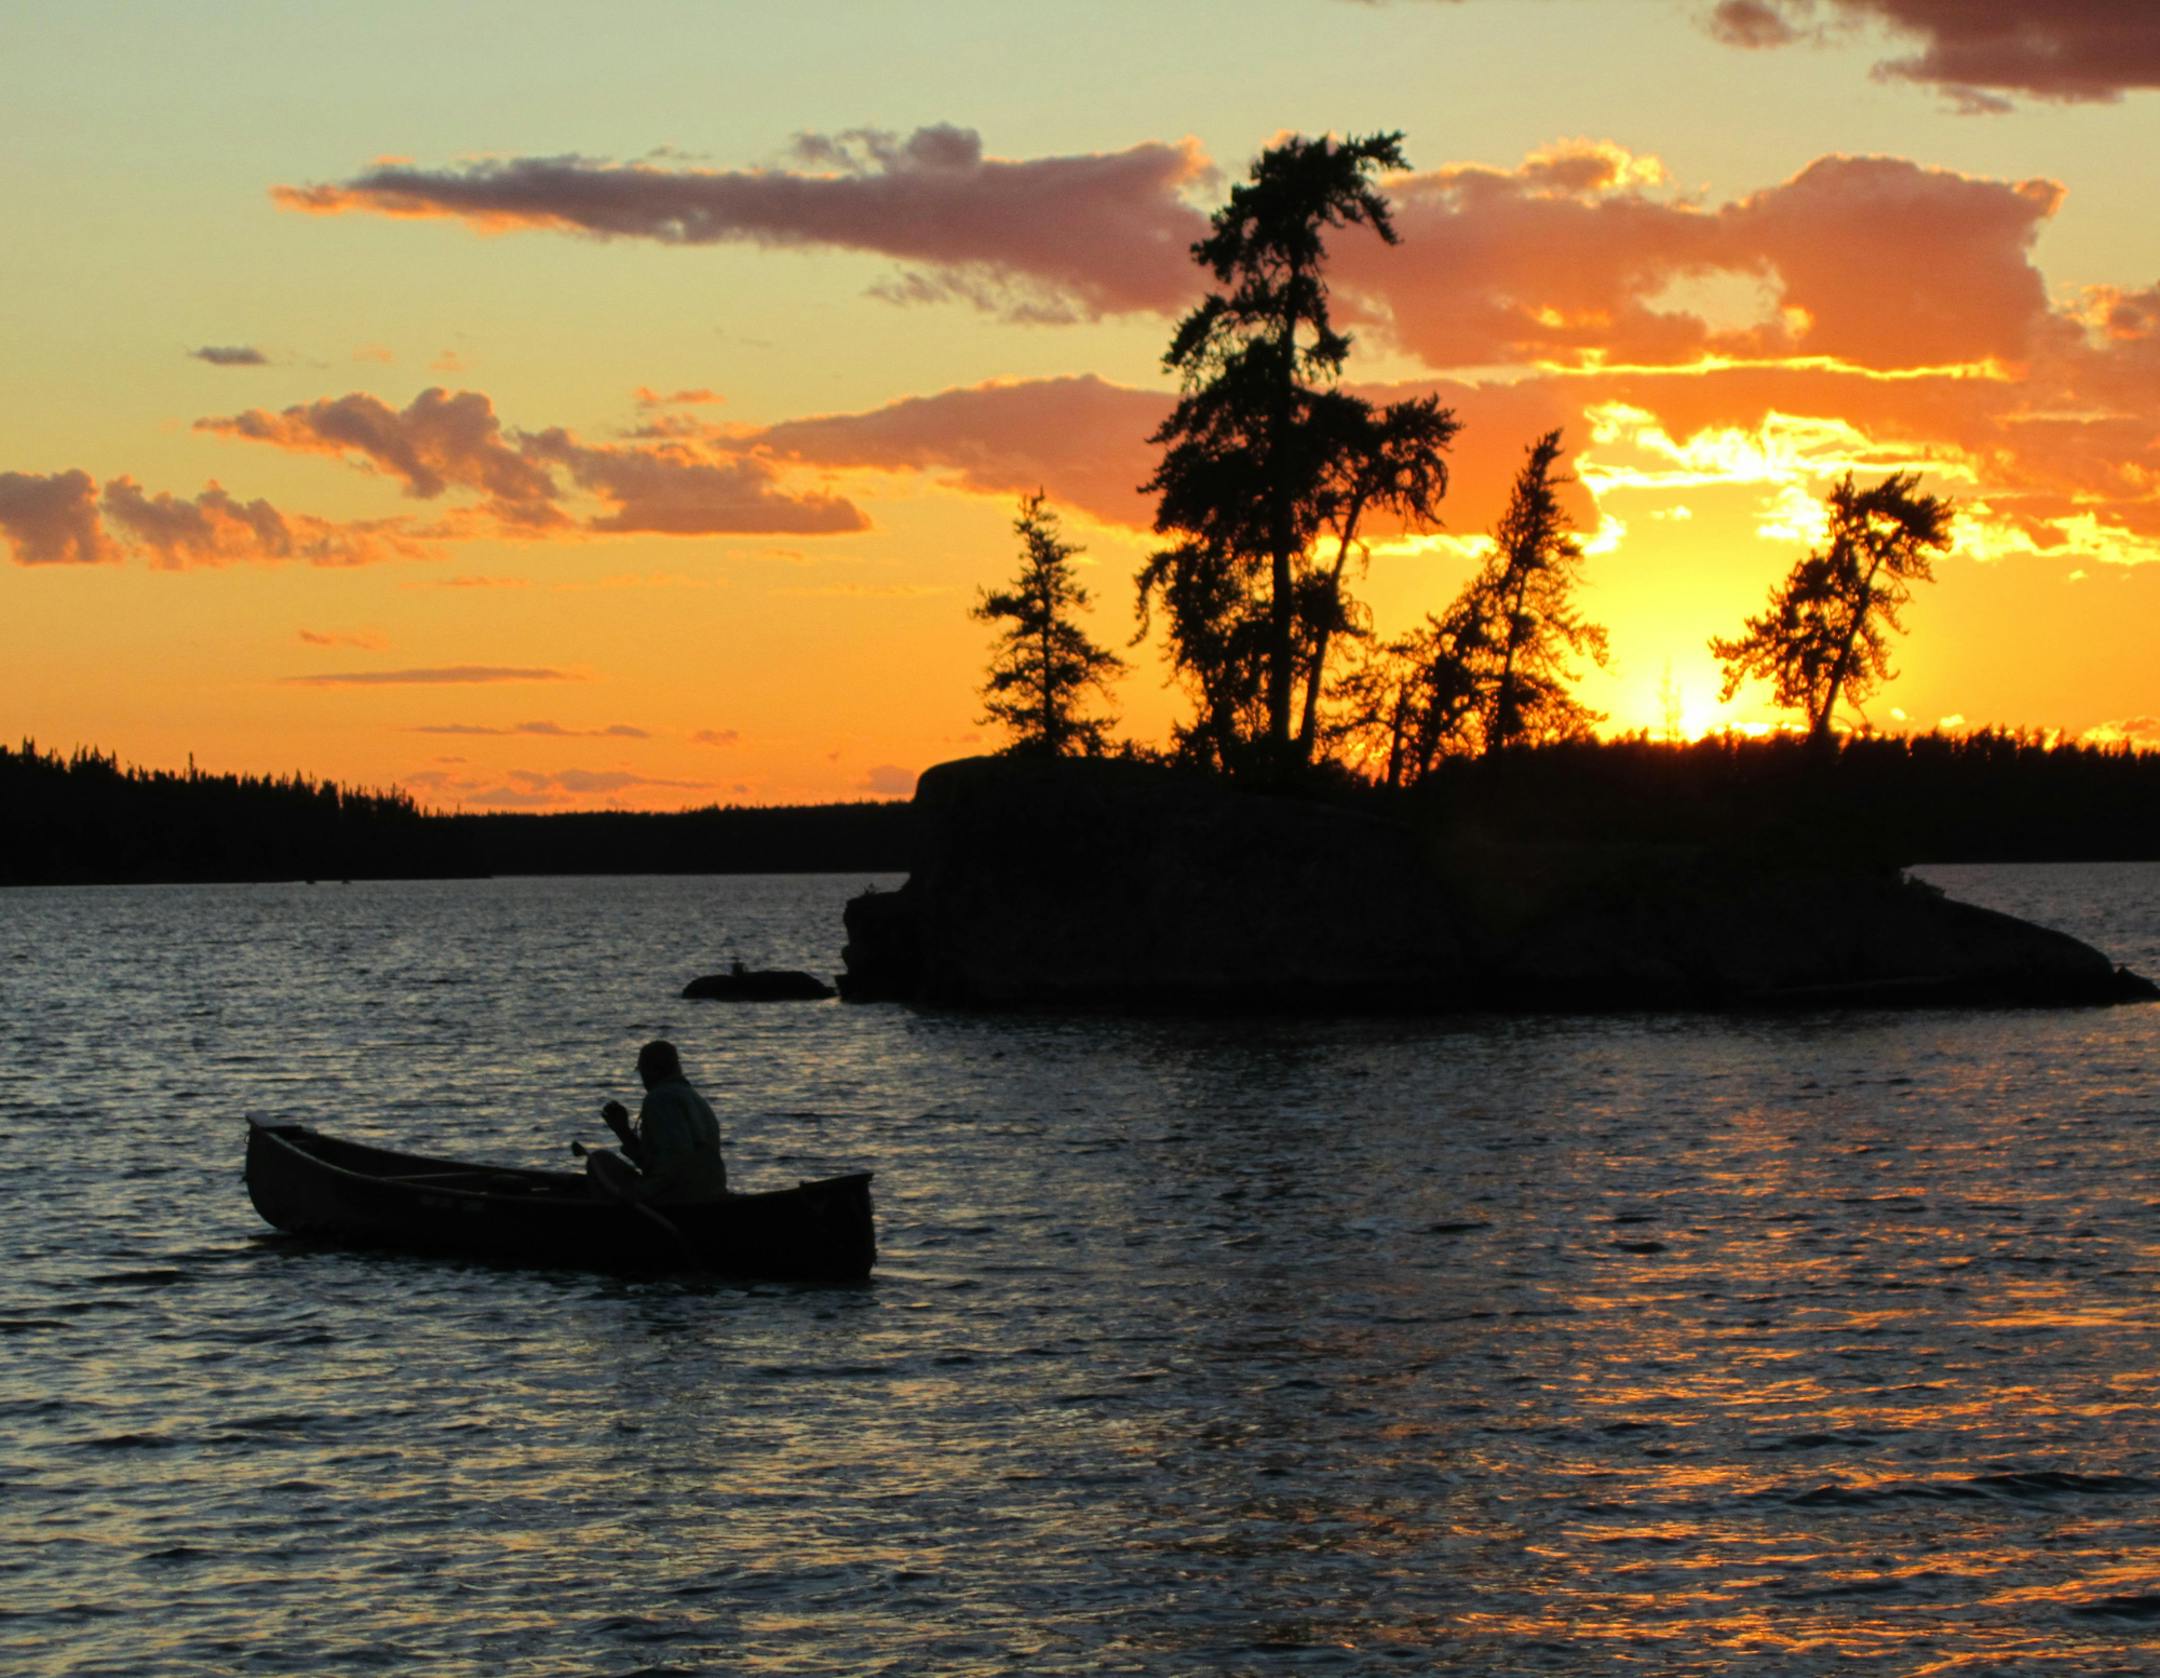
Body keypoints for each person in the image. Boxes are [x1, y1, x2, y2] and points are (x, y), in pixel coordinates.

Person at [589, 1039, 729, 1203]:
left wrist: (639, 1194)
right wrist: (622, 1130)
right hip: (712, 1191)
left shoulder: (659, 1099)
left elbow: (675, 1162)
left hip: (683, 1198)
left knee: (598, 1161)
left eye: (642, 1071)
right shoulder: (693, 1097)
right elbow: (657, 1162)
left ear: (650, 1071)